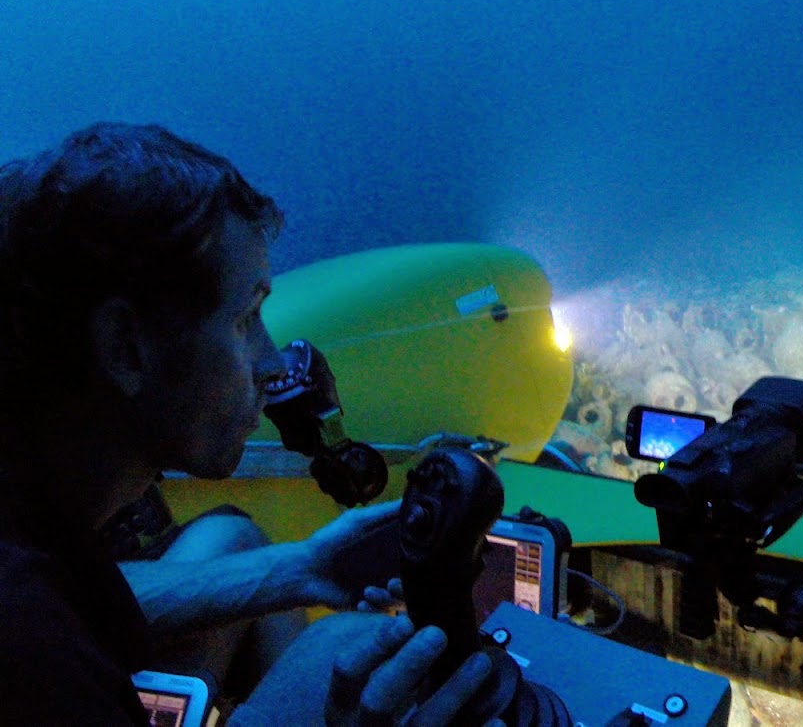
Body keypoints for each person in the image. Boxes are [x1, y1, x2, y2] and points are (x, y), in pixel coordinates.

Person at [0, 122, 496, 724]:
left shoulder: (40, 545)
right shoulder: (37, 655)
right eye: (245, 319)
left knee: (327, 644)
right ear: (125, 346)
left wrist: (306, 567)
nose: (271, 362)